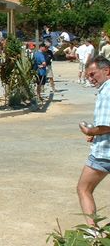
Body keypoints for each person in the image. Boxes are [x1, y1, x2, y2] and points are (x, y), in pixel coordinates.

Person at [76, 55, 110, 226]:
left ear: (107, 71)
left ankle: (93, 235)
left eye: (93, 74)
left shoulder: (107, 91)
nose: (90, 79)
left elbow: (107, 126)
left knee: (84, 189)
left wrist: (90, 130)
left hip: (104, 153)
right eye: (88, 75)